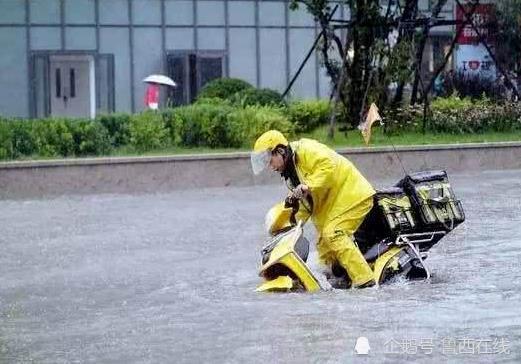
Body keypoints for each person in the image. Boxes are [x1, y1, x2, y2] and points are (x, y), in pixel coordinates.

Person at [251, 130, 376, 288]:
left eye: (270, 160)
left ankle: (366, 282)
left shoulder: (307, 149)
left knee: (334, 234)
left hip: (353, 194)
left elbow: (328, 167)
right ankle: (339, 280)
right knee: (324, 248)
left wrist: (308, 185)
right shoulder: (290, 176)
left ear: (280, 151)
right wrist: (289, 226)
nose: (270, 166)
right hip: (334, 204)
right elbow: (305, 206)